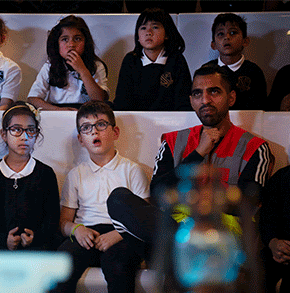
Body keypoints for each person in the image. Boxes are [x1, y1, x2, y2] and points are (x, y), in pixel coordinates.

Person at [107, 65, 272, 251]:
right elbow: (157, 193)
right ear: (191, 101)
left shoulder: (256, 147)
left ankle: (186, 251)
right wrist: (198, 153)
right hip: (175, 230)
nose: (205, 100)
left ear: (231, 98)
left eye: (214, 92)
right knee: (118, 198)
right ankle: (186, 250)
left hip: (223, 239)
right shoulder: (172, 141)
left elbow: (247, 204)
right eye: (197, 94)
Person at [44, 101, 150, 293]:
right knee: (60, 265)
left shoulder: (132, 170)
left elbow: (144, 219)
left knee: (119, 267)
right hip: (87, 234)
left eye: (101, 124)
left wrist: (119, 233)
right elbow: (64, 221)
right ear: (81, 140)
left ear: (115, 132)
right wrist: (77, 229)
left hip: (122, 234)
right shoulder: (76, 174)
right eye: (86, 127)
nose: (94, 131)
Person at [0, 102, 60, 250]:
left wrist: (36, 238)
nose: (24, 136)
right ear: (4, 134)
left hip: (37, 247)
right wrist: (4, 240)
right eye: (16, 130)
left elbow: (52, 219)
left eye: (30, 130)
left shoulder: (45, 174)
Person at [113, 7, 192, 111]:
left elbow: (183, 101)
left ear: (167, 34)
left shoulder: (176, 59)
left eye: (155, 27)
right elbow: (122, 101)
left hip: (171, 121)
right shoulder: (131, 60)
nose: (148, 32)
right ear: (137, 36)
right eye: (143, 28)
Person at [27, 15, 109, 111]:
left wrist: (83, 71)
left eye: (77, 39)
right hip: (57, 111)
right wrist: (59, 111)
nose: (71, 45)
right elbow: (32, 99)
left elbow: (99, 100)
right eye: (65, 39)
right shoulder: (50, 66)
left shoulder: (97, 66)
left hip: (87, 113)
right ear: (57, 44)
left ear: (86, 42)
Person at [202, 13, 267, 111]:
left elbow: (261, 107)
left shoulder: (254, 71)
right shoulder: (206, 70)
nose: (226, 37)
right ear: (213, 45)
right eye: (220, 34)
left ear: (245, 41)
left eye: (233, 33)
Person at [257, 165, 290, 293]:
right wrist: (273, 242)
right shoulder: (283, 176)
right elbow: (267, 216)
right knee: (258, 271)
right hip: (279, 248)